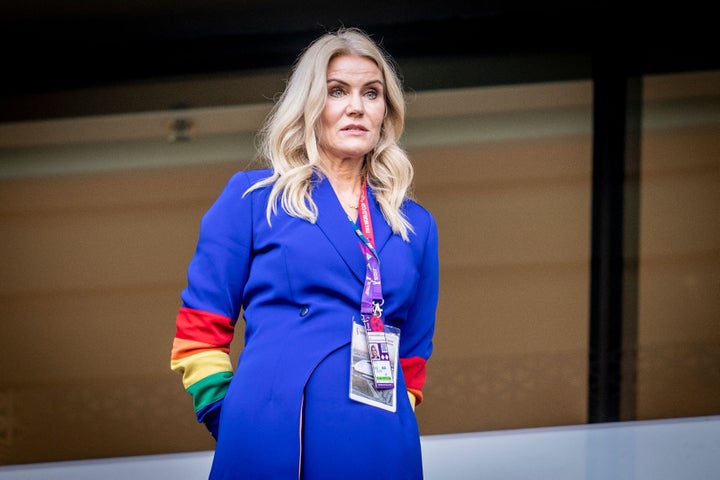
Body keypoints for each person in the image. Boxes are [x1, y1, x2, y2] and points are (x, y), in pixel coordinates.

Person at [170, 27, 439, 480]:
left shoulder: (415, 225)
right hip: (274, 429)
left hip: (380, 441)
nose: (356, 106)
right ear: (311, 105)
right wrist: (233, 417)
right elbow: (199, 329)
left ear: (385, 112)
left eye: (371, 93)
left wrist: (394, 421)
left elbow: (412, 355)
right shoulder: (254, 199)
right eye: (338, 91)